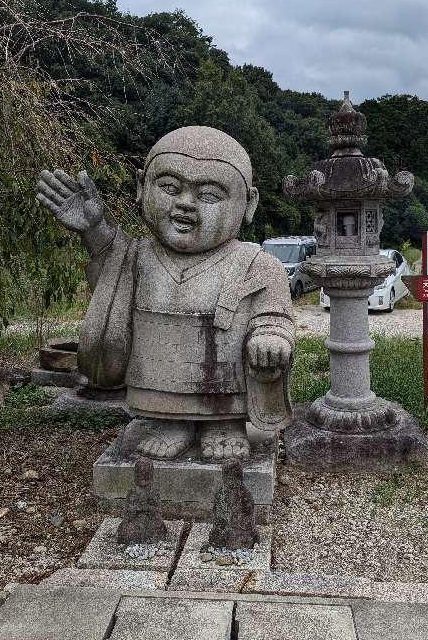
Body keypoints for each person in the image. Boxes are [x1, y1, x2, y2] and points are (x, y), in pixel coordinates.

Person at [37, 126, 294, 460]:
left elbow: (274, 316)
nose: (185, 204)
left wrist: (271, 337)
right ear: (142, 187)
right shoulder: (138, 255)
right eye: (170, 187)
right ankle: (170, 422)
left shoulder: (258, 264)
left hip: (226, 389)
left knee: (228, 406)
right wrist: (94, 229)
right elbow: (112, 270)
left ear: (249, 203)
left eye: (209, 195)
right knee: (162, 409)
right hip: (155, 382)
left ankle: (224, 424)